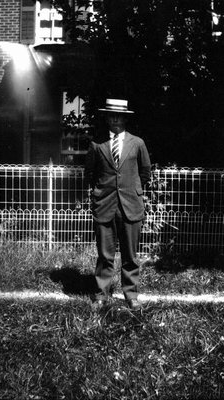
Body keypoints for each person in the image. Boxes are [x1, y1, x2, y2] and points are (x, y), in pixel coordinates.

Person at [85, 98, 151, 310]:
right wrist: (99, 193)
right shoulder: (97, 144)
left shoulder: (137, 143)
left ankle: (131, 294)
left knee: (130, 255)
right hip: (105, 205)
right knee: (105, 254)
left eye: (119, 115)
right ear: (107, 118)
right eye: (111, 115)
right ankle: (101, 295)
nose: (115, 119)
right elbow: (90, 173)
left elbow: (145, 172)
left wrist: (132, 190)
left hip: (130, 205)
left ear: (125, 118)